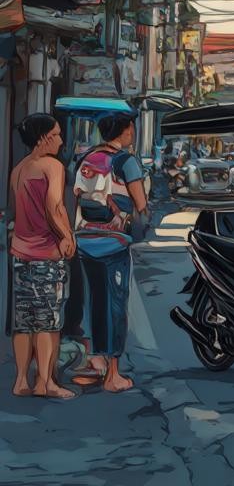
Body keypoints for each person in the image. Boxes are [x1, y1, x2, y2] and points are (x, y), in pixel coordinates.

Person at [71, 111, 148, 393]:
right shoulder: (126, 162)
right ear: (124, 131)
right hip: (113, 241)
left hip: (85, 239)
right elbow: (140, 204)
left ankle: (97, 360)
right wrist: (142, 227)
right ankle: (113, 375)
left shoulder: (87, 158)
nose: (133, 133)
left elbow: (74, 197)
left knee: (96, 301)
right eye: (131, 129)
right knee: (116, 305)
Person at [8, 114, 76, 399]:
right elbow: (54, 206)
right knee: (48, 322)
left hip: (20, 253)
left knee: (24, 322)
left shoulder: (19, 170)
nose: (61, 140)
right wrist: (67, 236)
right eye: (57, 135)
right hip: (47, 254)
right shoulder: (53, 166)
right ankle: (45, 383)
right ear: (43, 137)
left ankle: (21, 380)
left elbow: (19, 212)